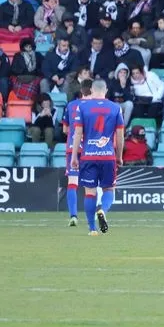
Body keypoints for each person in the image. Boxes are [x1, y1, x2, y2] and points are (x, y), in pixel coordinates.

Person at [70, 80, 124, 236]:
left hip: (88, 156)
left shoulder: (83, 107)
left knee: (89, 192)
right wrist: (119, 156)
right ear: (106, 90)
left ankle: (92, 229)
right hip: (108, 156)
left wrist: (74, 156)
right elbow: (120, 135)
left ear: (92, 91)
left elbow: (77, 133)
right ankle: (102, 209)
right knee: (109, 189)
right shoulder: (115, 108)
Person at [63, 79, 93, 227]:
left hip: (72, 149)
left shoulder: (71, 105)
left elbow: (65, 130)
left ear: (81, 90)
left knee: (72, 183)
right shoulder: (96, 106)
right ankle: (91, 218)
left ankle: (73, 216)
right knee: (91, 185)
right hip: (91, 149)